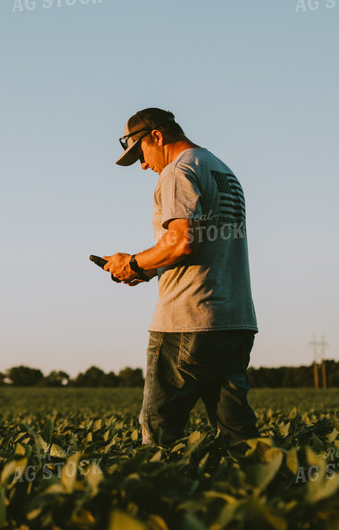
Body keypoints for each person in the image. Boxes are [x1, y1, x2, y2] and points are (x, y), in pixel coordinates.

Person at [102, 107, 259, 449]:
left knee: (159, 433)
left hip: (187, 319)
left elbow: (181, 240)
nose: (144, 165)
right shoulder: (221, 170)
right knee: (238, 438)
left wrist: (131, 262)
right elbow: (202, 243)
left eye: (141, 154)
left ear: (156, 137)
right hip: (234, 320)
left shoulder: (178, 171)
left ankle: (158, 499)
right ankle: (265, 494)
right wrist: (147, 269)